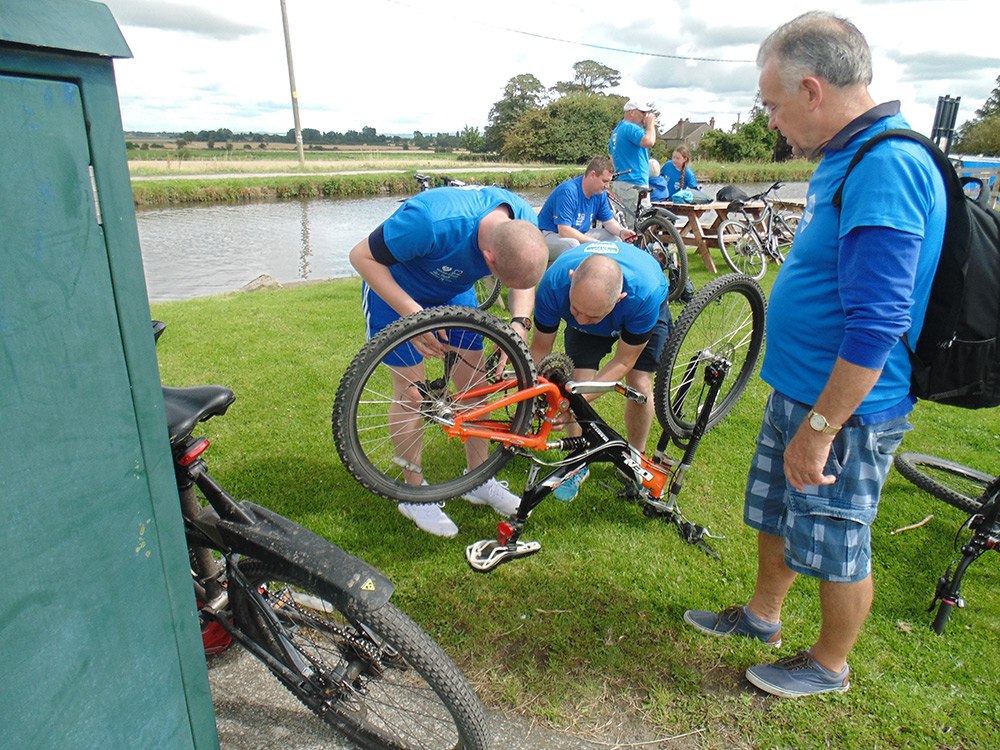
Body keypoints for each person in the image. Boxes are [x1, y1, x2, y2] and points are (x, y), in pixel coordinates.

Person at [682, 11, 946, 698]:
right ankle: (763, 618)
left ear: (811, 89)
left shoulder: (886, 164)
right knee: (775, 514)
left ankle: (830, 665)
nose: (770, 120)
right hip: (800, 390)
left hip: (847, 411)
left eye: (771, 104)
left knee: (837, 538)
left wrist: (822, 429)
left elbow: (879, 322)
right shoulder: (844, 155)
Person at [349, 185, 549, 537]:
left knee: (476, 387)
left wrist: (519, 324)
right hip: (396, 288)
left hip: (454, 290)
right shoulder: (430, 222)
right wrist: (414, 317)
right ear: (489, 260)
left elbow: (523, 281)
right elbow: (360, 257)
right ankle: (414, 494)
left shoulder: (522, 222)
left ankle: (479, 479)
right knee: (412, 395)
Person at [529, 240, 671, 500]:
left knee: (638, 385)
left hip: (639, 309)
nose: (581, 320)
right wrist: (535, 397)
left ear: (619, 299)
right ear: (571, 281)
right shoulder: (553, 284)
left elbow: (623, 362)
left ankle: (635, 459)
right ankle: (577, 460)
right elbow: (539, 349)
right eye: (575, 310)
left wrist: (572, 404)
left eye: (591, 317)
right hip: (596, 306)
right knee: (577, 381)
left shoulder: (643, 295)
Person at [537, 155, 637, 261]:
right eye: (604, 181)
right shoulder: (568, 191)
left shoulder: (600, 193)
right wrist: (594, 243)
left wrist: (622, 232)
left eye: (609, 182)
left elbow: (609, 222)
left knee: (614, 238)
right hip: (549, 235)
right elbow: (564, 231)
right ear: (592, 175)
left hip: (580, 233)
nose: (607, 186)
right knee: (572, 245)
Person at [608, 100, 657, 224]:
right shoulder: (631, 128)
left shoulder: (617, 131)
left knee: (622, 224)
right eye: (642, 113)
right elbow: (649, 141)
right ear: (631, 112)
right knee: (640, 224)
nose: (644, 117)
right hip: (634, 182)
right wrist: (650, 125)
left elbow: (612, 159)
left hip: (621, 182)